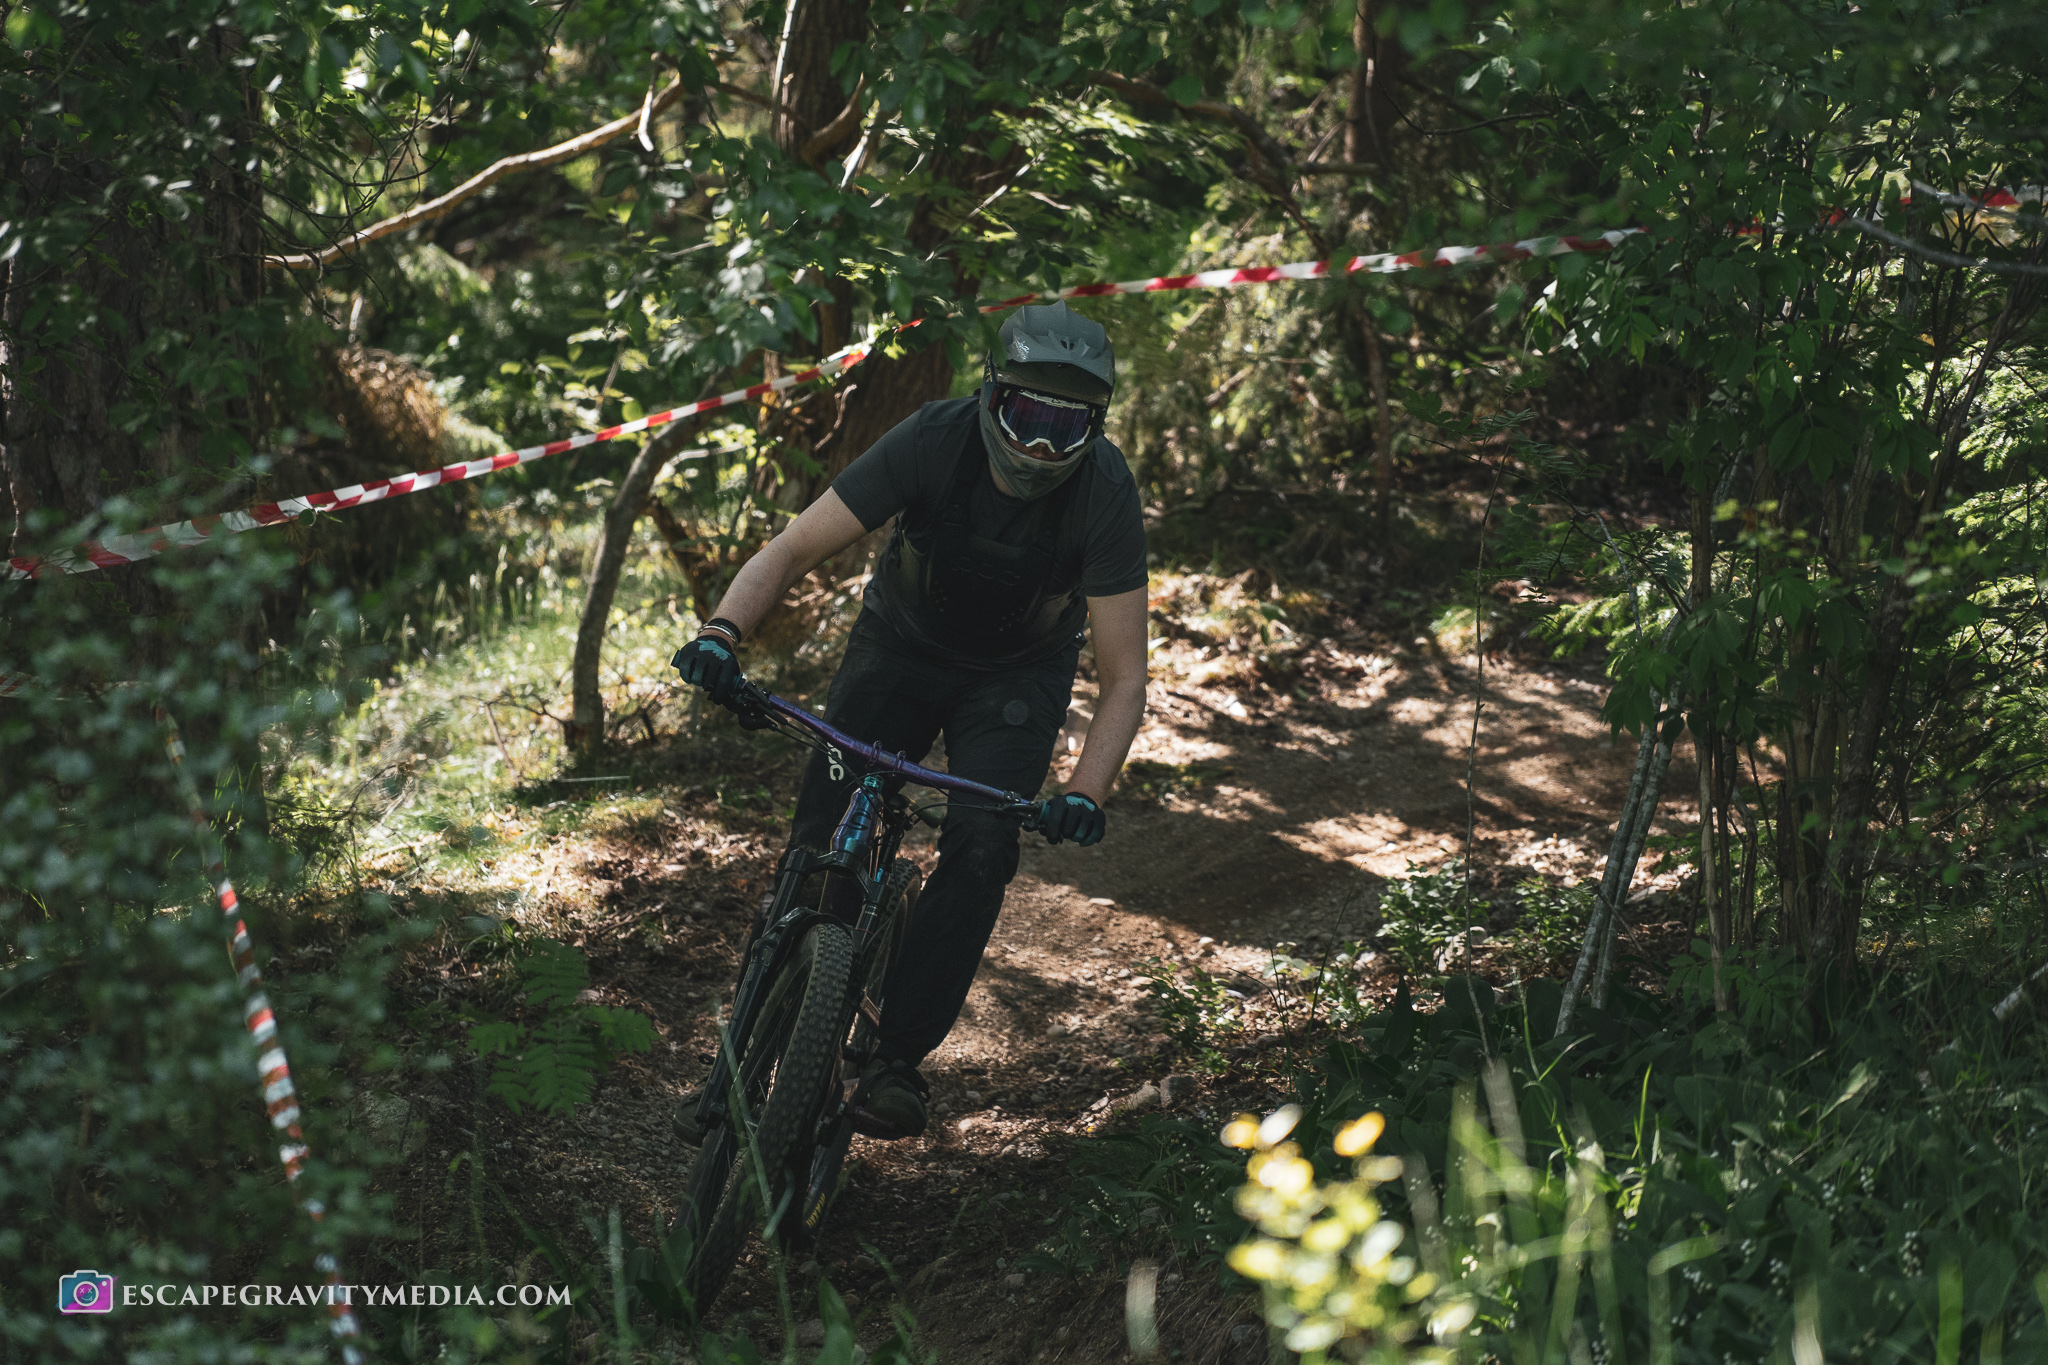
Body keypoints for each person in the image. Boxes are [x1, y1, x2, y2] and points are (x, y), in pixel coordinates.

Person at [671, 302, 1148, 1138]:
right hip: (897, 647)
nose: (1041, 447)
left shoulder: (1104, 492)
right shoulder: (932, 438)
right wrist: (722, 632)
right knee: (819, 843)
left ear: (1095, 427)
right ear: (991, 396)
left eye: (1065, 426)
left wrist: (1085, 789)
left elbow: (1124, 676)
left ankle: (895, 1060)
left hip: (1015, 679)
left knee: (983, 844)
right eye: (1028, 417)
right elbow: (791, 548)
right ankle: (741, 1052)